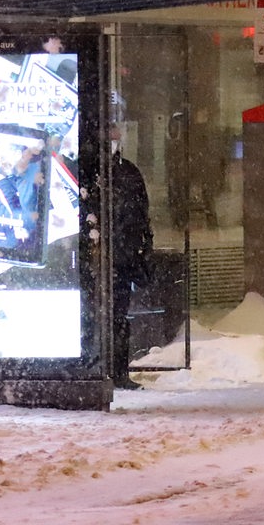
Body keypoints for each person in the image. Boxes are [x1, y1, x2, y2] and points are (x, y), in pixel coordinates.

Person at [107, 127, 153, 390]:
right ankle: (113, 371)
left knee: (118, 316)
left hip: (121, 257)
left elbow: (141, 216)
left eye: (116, 137)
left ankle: (117, 371)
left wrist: (140, 250)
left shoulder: (127, 172)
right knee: (114, 316)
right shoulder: (122, 172)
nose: (114, 142)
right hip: (114, 256)